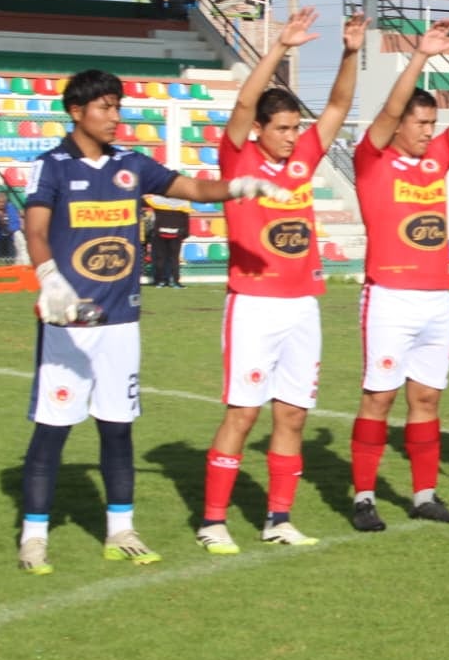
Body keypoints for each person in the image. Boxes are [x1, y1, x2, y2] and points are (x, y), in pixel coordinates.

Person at [16, 68, 290, 575]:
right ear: (76, 112)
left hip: (122, 320)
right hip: (69, 322)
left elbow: (192, 188)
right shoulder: (50, 167)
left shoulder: (132, 164)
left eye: (118, 107)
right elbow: (35, 230)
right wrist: (49, 278)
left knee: (118, 429)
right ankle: (34, 538)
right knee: (53, 431)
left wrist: (238, 186)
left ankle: (121, 530)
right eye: (105, 107)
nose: (115, 117)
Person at [196, 7, 369, 555]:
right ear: (260, 130)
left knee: (292, 414)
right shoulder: (238, 157)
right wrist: (279, 49)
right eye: (284, 129)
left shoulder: (302, 159)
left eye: (297, 128)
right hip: (253, 303)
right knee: (243, 414)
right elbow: (243, 104)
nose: (294, 137)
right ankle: (213, 521)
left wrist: (350, 52)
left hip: (302, 305)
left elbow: (338, 107)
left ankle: (278, 518)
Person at [349, 12, 449, 531]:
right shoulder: (372, 159)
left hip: (437, 297)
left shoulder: (436, 159)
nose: (428, 132)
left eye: (431, 124)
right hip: (389, 295)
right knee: (380, 397)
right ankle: (364, 498)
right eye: (419, 123)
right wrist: (419, 56)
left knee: (427, 397)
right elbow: (389, 108)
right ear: (397, 124)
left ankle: (423, 495)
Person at [148, 197, 191, 287]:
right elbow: (186, 219)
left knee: (160, 258)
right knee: (174, 259)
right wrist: (185, 233)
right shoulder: (183, 202)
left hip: (160, 233)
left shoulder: (157, 201)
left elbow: (143, 201)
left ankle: (160, 281)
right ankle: (174, 281)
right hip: (176, 233)